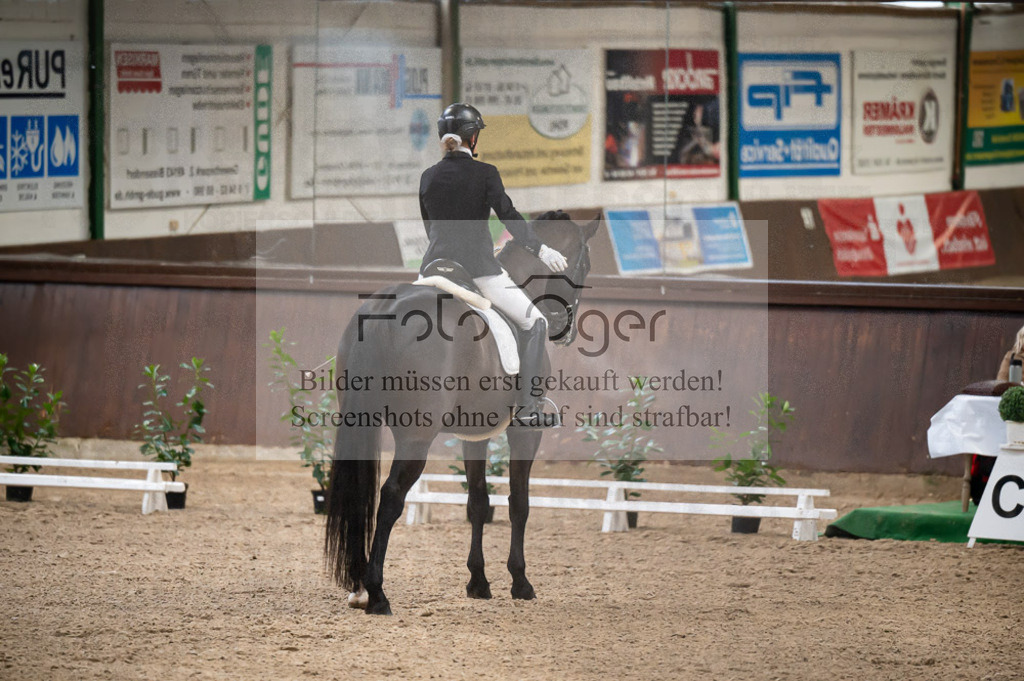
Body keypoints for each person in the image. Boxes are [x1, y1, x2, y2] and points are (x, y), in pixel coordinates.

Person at [419, 102, 568, 427]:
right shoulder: (486, 173)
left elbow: (431, 228)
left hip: (432, 269)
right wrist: (541, 249)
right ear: (472, 138)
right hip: (477, 270)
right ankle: (528, 409)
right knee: (536, 323)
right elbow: (509, 216)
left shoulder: (427, 177)